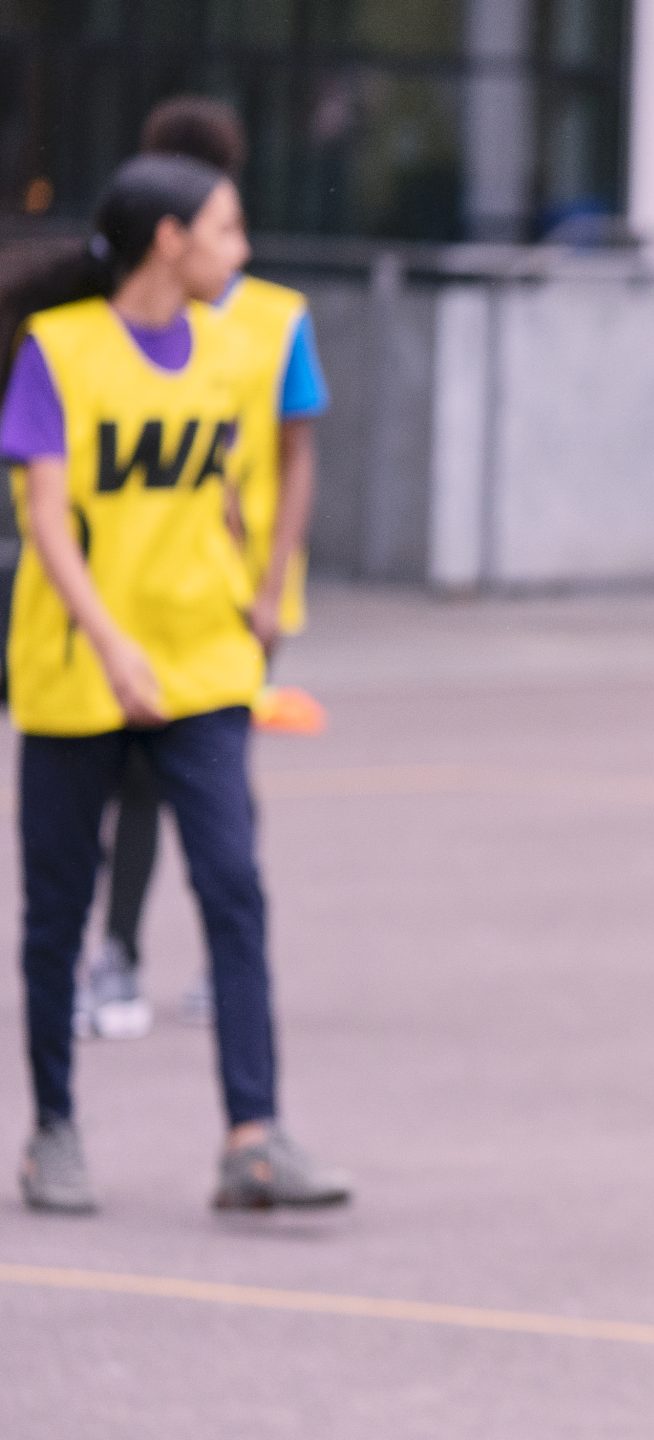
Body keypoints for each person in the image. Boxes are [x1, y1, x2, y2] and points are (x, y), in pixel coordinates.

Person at [0, 154, 348, 1213]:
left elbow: (278, 469)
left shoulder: (236, 353)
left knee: (234, 889)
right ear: (169, 239)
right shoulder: (58, 354)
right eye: (226, 231)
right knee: (58, 911)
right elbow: (46, 521)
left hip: (201, 664)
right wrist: (110, 645)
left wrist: (266, 591)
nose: (238, 254)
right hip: (79, 670)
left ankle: (254, 1134)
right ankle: (55, 1127)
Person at [70, 95, 331, 1044]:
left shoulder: (266, 322)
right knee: (132, 780)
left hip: (226, 597)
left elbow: (296, 453)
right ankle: (122, 954)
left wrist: (267, 587)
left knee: (208, 774)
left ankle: (207, 956)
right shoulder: (95, 331)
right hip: (121, 592)